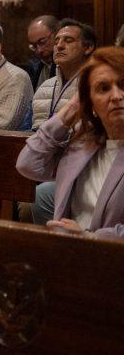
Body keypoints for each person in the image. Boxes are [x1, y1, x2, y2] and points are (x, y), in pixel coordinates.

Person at [17, 46, 124, 239]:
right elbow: (28, 164)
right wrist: (71, 109)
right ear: (89, 103)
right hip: (72, 258)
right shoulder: (83, 145)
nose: (116, 96)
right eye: (103, 88)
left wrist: (88, 237)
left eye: (123, 84)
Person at [31, 19, 96, 130]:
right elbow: (35, 131)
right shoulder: (44, 87)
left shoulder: (97, 85)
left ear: (88, 48)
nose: (59, 46)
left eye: (69, 40)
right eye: (56, 42)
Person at [25, 15, 59, 89]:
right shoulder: (33, 66)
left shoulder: (68, 64)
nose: (39, 50)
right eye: (34, 46)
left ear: (57, 34)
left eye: (42, 42)